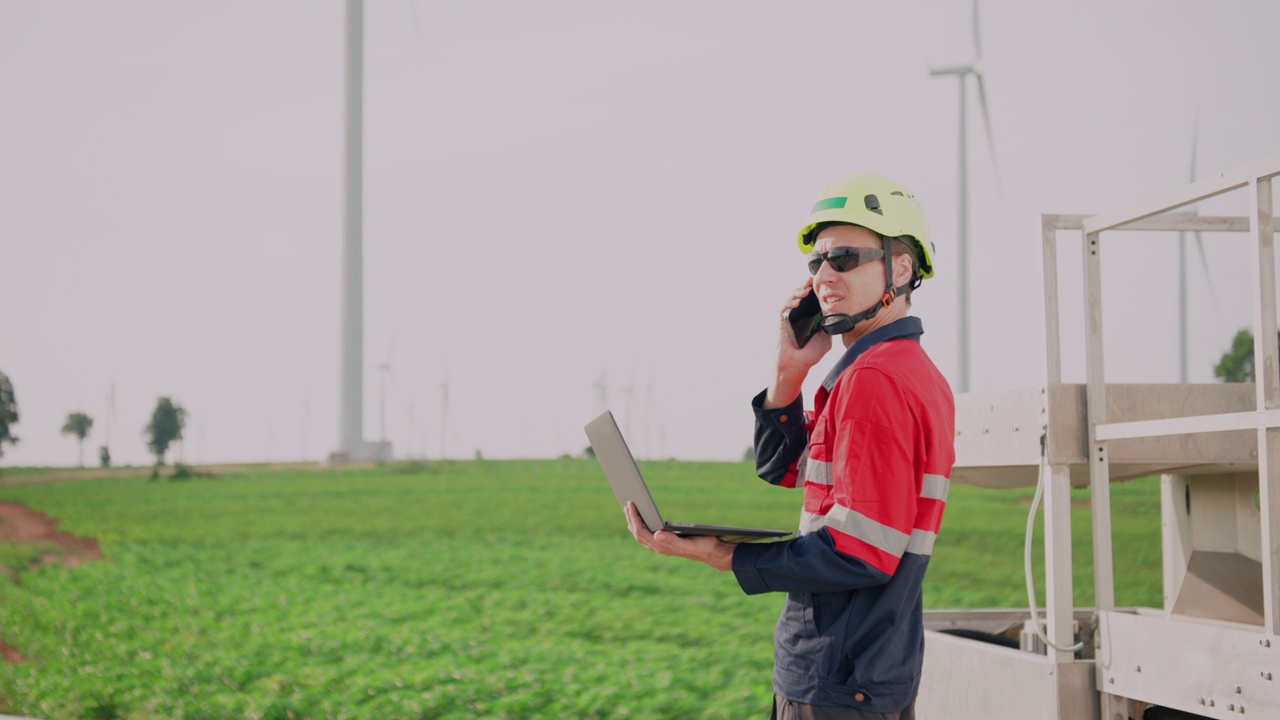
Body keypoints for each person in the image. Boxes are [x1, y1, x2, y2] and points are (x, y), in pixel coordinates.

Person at [625, 174, 955, 720]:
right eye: (817, 262)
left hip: (838, 676)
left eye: (845, 258)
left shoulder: (876, 378)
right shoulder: (891, 371)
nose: (824, 275)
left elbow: (860, 550)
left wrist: (724, 555)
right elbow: (786, 469)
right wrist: (789, 373)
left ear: (901, 268)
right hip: (865, 671)